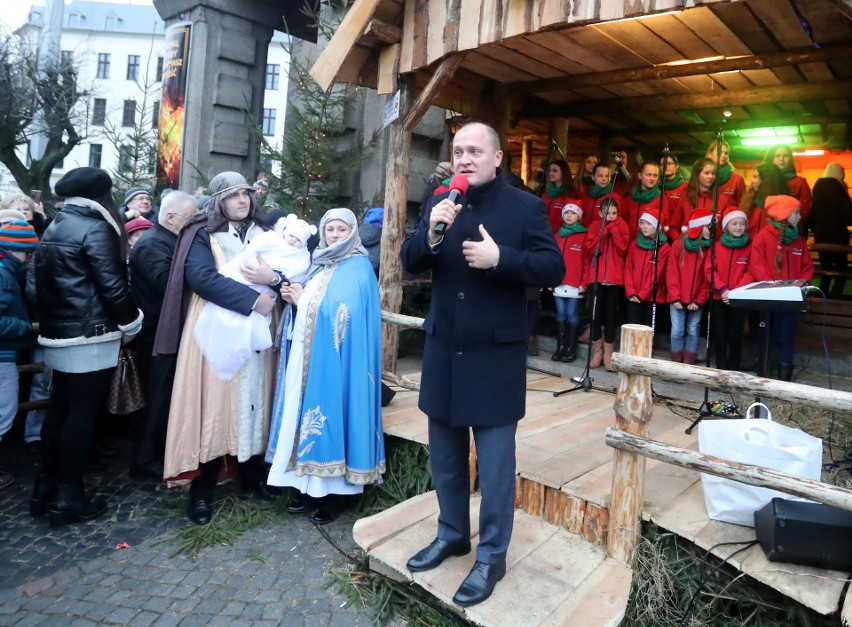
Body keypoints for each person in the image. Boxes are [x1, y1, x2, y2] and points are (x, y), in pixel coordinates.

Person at [400, 122, 564, 607]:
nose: (466, 157)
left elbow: (554, 267)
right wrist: (430, 234)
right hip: (444, 352)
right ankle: (452, 534)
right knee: (446, 459)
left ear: (497, 158)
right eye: (459, 150)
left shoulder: (525, 207)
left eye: (476, 150)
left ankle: (492, 555)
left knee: (494, 470)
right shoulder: (441, 200)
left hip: (494, 356)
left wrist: (501, 258)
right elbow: (412, 259)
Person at [155, 172, 278, 525]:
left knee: (256, 401)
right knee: (214, 407)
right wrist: (253, 301)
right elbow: (201, 278)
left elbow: (287, 271)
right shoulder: (201, 233)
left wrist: (275, 282)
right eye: (233, 195)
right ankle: (203, 488)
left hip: (257, 333)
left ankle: (252, 475)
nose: (242, 200)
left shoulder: (264, 233)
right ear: (218, 200)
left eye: (246, 194)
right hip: (216, 330)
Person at [33, 167, 143, 527]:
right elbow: (112, 286)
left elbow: (35, 286)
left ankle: (44, 490)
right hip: (90, 334)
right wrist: (131, 323)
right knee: (81, 414)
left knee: (59, 409)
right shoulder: (95, 226)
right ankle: (69, 496)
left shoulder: (56, 224)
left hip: (58, 332)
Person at [266, 208, 384, 523]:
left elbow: (345, 316)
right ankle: (305, 486)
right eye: (329, 229)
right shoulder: (321, 263)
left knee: (334, 416)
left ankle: (336, 496)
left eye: (341, 229)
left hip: (339, 364)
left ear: (353, 233)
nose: (334, 235)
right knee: (301, 414)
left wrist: (303, 300)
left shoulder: (358, 267)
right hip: (308, 358)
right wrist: (296, 301)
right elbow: (318, 305)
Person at [127, 191, 198, 478]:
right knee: (156, 397)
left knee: (166, 396)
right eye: (191, 218)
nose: (196, 224)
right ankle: (144, 458)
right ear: (170, 217)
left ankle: (158, 451)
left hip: (166, 332)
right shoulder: (152, 244)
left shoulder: (167, 240)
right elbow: (168, 284)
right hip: (156, 335)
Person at [749, 195, 814, 380]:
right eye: (796, 213)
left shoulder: (799, 241)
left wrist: (800, 285)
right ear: (784, 215)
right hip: (769, 298)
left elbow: (807, 266)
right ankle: (763, 375)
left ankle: (785, 379)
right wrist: (772, 287)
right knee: (766, 335)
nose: (800, 217)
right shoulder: (763, 237)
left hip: (791, 299)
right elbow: (757, 264)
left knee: (786, 337)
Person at [0, 219, 39, 489]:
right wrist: (25, 327)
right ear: (15, 249)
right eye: (27, 252)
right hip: (2, 356)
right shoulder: (3, 275)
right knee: (4, 413)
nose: (29, 258)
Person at [583, 198, 629, 370]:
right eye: (607, 213)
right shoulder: (595, 226)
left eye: (614, 213)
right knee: (595, 316)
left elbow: (623, 249)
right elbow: (590, 250)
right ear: (600, 212)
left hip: (614, 280)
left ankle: (609, 353)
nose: (611, 216)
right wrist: (603, 232)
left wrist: (613, 230)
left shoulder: (622, 225)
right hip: (596, 277)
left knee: (610, 317)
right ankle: (598, 351)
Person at [705, 206, 752, 371]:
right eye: (734, 224)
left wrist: (735, 292)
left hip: (739, 298)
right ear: (726, 227)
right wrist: (723, 289)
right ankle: (720, 367)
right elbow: (710, 269)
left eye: (742, 224)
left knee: (735, 334)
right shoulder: (716, 247)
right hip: (719, 297)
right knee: (720, 334)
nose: (738, 227)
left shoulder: (749, 247)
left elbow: (750, 271)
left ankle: (733, 368)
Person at [666, 209, 711, 364]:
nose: (710, 231)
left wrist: (699, 300)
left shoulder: (708, 249)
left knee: (693, 329)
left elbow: (706, 279)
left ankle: (689, 362)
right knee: (677, 330)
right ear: (699, 228)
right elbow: (672, 273)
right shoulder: (678, 245)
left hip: (696, 300)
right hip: (678, 297)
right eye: (708, 227)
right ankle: (676, 361)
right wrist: (675, 297)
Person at [551, 203, 587, 363]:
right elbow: (551, 259)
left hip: (575, 283)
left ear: (579, 216)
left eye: (573, 213)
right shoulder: (557, 235)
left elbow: (587, 262)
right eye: (566, 212)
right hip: (558, 282)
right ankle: (560, 347)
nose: (569, 216)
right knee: (560, 314)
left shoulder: (584, 235)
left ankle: (571, 349)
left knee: (571, 314)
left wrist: (584, 283)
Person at [624, 208, 670, 329]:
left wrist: (642, 295)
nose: (644, 227)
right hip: (633, 297)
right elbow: (628, 270)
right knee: (632, 331)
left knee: (647, 334)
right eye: (642, 223)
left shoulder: (664, 248)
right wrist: (631, 292)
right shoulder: (634, 245)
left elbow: (658, 275)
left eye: (649, 224)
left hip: (651, 298)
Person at [811, 163, 852, 299]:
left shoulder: (816, 191)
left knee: (825, 271)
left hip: (820, 238)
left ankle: (821, 298)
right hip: (839, 239)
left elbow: (811, 216)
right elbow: (849, 218)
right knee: (841, 272)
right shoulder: (841, 192)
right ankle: (836, 298)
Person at [764, 145, 813, 231]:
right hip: (768, 230)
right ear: (771, 158)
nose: (781, 159)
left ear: (790, 159)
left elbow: (805, 210)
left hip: (793, 231)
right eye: (777, 156)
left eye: (785, 156)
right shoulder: (763, 180)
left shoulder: (800, 182)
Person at [740, 162, 791, 237]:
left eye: (755, 177)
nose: (752, 181)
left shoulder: (780, 205)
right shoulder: (749, 200)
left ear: (766, 180)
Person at [623, 162, 667, 239]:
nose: (652, 178)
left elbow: (664, 226)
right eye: (649, 175)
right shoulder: (631, 197)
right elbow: (624, 221)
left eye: (655, 175)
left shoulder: (661, 198)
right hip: (630, 243)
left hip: (649, 244)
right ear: (640, 175)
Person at [581, 161, 622, 227]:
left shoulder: (614, 197)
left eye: (607, 176)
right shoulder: (586, 196)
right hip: (587, 235)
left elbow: (617, 222)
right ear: (593, 177)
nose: (604, 179)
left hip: (603, 236)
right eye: (600, 176)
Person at [541, 159, 577, 234]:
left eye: (555, 170)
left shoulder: (571, 196)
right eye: (550, 170)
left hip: (561, 236)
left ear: (563, 173)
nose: (551, 173)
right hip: (543, 234)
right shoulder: (545, 195)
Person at [705, 140, 746, 207]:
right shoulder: (701, 178)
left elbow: (744, 206)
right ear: (709, 155)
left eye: (726, 153)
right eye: (720, 152)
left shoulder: (737, 180)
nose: (723, 155)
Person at [660, 154, 688, 242]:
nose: (666, 166)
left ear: (676, 166)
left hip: (676, 234)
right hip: (659, 233)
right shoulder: (656, 186)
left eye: (669, 163)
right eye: (662, 164)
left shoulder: (685, 187)